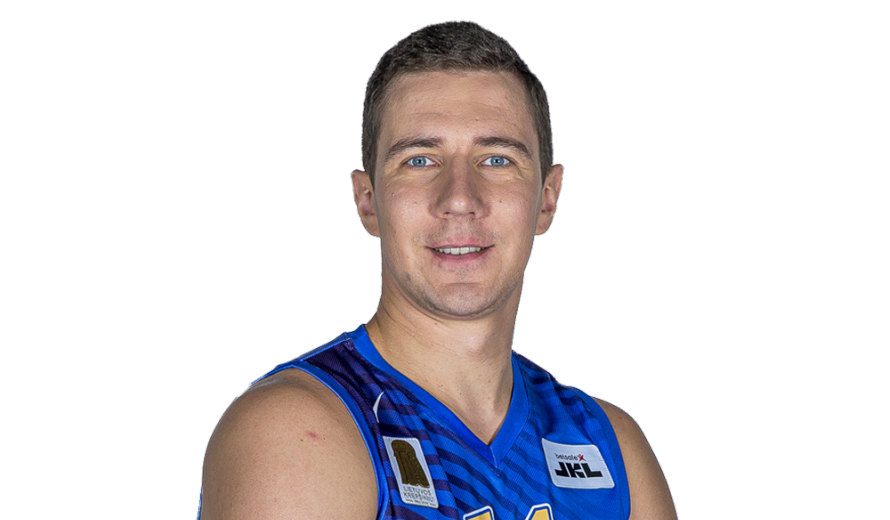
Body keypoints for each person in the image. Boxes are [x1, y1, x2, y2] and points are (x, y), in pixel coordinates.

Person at [198, 20, 676, 520]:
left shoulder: (612, 446)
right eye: (420, 160)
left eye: (496, 159)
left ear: (547, 199)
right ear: (367, 202)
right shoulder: (295, 430)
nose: (460, 199)